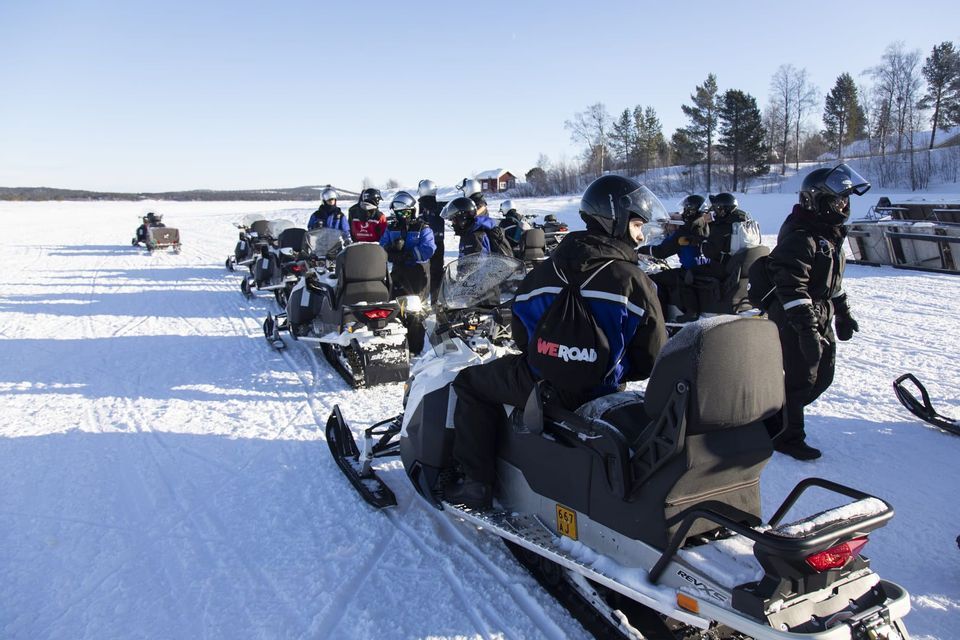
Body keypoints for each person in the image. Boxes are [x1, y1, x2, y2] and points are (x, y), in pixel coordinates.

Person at [446, 174, 669, 509]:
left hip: (540, 382)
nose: (639, 236)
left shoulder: (545, 271)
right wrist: (607, 372)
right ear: (615, 221)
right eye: (637, 226)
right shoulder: (635, 281)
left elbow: (522, 336)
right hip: (601, 389)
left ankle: (475, 483)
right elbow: (651, 355)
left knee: (469, 382)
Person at [759, 164, 870, 461]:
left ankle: (773, 418)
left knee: (822, 377)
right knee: (800, 379)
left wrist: (844, 313)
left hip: (820, 312)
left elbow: (831, 283)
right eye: (838, 200)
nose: (844, 205)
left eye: (846, 200)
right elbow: (792, 287)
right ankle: (787, 436)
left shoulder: (830, 236)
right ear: (817, 201)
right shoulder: (800, 236)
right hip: (794, 315)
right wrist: (806, 330)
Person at [638, 194, 711, 320]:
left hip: (689, 272)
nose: (683, 212)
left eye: (685, 209)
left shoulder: (685, 231)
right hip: (706, 269)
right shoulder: (707, 226)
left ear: (690, 211)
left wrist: (642, 249)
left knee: (653, 280)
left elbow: (660, 252)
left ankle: (661, 319)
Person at [381, 191, 436, 353]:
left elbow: (429, 249)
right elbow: (382, 245)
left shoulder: (423, 228)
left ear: (413, 211)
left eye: (405, 212)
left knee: (416, 313)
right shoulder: (392, 228)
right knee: (394, 308)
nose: (402, 216)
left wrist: (407, 253)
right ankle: (395, 346)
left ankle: (415, 349)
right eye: (399, 213)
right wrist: (391, 251)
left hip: (418, 275)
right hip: (398, 273)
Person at [701, 192, 753, 272]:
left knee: (693, 272)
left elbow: (709, 252)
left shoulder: (721, 227)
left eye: (715, 208)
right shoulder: (743, 220)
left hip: (723, 268)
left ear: (722, 209)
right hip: (741, 266)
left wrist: (701, 242)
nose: (713, 211)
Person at [442, 197, 508, 256]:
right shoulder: (468, 233)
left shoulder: (475, 237)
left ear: (462, 218)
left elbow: (477, 266)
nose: (453, 224)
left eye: (453, 220)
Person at [417, 179, 447, 303]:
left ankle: (423, 301)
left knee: (424, 272)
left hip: (425, 242)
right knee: (437, 273)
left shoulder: (421, 205)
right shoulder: (440, 205)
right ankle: (436, 301)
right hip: (439, 242)